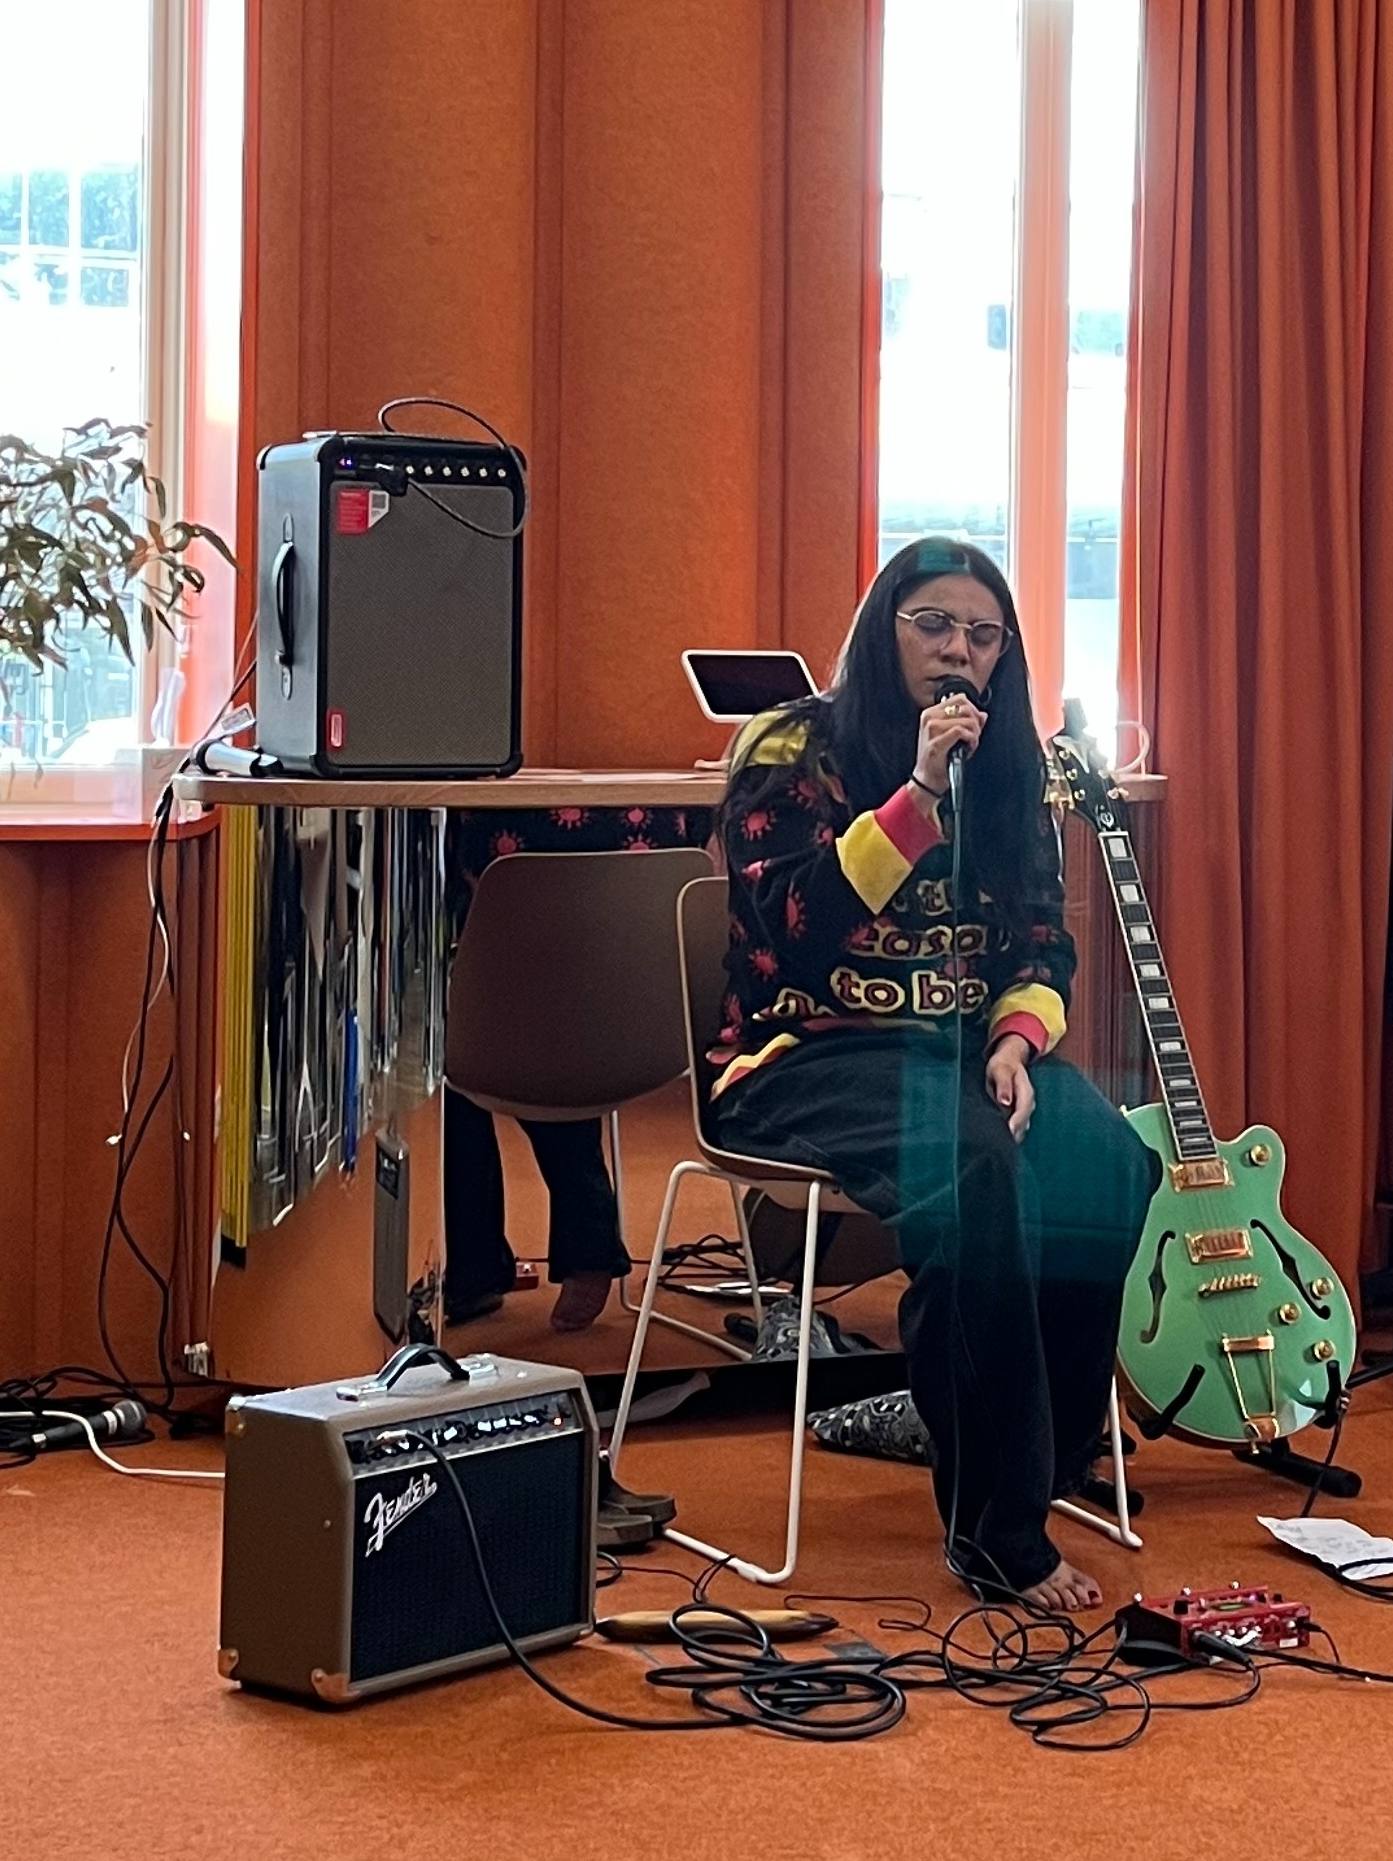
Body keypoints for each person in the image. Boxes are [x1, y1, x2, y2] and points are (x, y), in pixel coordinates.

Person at [707, 537, 1160, 1614]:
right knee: (970, 1175)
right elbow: (791, 934)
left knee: (1109, 1164)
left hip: (964, 1053)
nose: (958, 650)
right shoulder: (789, 748)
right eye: (935, 625)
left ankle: (1039, 1457)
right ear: (885, 629)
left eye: (982, 635)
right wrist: (914, 795)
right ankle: (995, 1532)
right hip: (806, 1051)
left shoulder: (1014, 769)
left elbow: (1043, 943)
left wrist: (1014, 1039)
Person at [443, 800, 708, 1331]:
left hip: (515, 1014)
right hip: (654, 1014)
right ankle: (581, 1237)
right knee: (523, 1005)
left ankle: (473, 1268)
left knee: (441, 1037)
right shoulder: (660, 767)